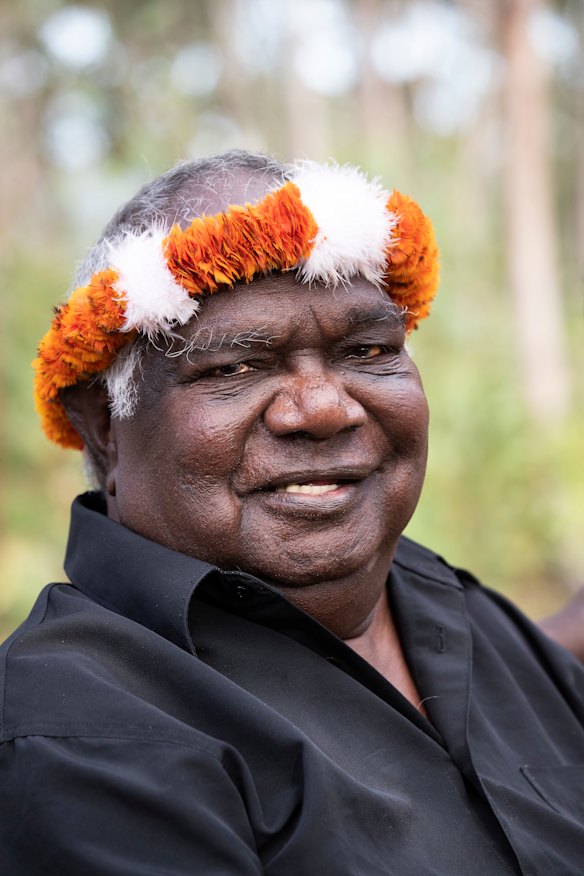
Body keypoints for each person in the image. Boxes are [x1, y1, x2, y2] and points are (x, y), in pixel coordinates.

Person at [1, 150, 583, 874]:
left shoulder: (446, 603)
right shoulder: (80, 736)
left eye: (369, 349)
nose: (325, 408)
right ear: (104, 429)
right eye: (234, 367)